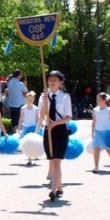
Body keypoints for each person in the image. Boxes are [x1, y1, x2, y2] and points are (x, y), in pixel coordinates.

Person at [39, 70, 72, 201]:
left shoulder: (65, 97)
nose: (52, 82)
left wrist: (56, 123)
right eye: (50, 80)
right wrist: (45, 102)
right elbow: (41, 116)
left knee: (57, 161)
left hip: (60, 131)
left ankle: (52, 191)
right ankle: (59, 187)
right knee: (53, 162)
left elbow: (69, 117)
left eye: (55, 80)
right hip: (48, 131)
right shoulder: (43, 97)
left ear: (60, 82)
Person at [91, 92, 110, 173]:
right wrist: (92, 132)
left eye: (99, 99)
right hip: (98, 131)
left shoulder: (109, 110)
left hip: (107, 132)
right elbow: (94, 121)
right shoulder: (95, 110)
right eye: (97, 99)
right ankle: (96, 166)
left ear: (104, 100)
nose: (97, 101)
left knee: (108, 148)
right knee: (96, 148)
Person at [18, 91, 40, 165]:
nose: (29, 101)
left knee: (34, 143)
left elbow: (37, 119)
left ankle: (36, 154)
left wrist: (38, 127)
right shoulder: (23, 108)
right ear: (25, 99)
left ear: (33, 99)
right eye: (28, 99)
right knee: (27, 144)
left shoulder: (36, 108)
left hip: (33, 127)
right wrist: (19, 127)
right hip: (25, 127)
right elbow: (21, 119)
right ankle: (29, 159)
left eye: (31, 99)